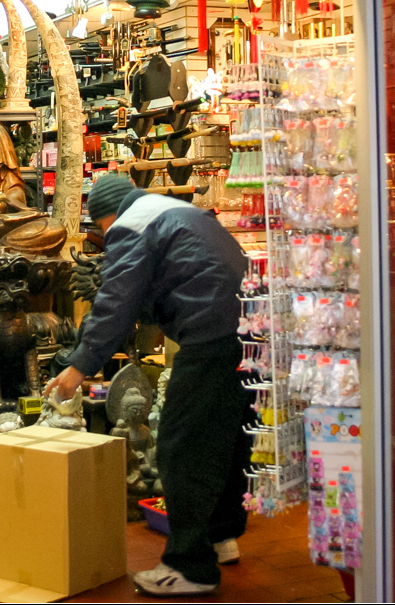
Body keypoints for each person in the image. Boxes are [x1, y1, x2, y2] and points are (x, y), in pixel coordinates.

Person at [44, 174, 251, 597]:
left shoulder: (131, 224)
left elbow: (116, 300)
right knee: (225, 439)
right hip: (250, 327)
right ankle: (218, 537)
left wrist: (79, 366)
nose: (104, 236)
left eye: (100, 228)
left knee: (181, 446)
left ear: (107, 216)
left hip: (211, 331)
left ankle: (189, 566)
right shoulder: (181, 213)